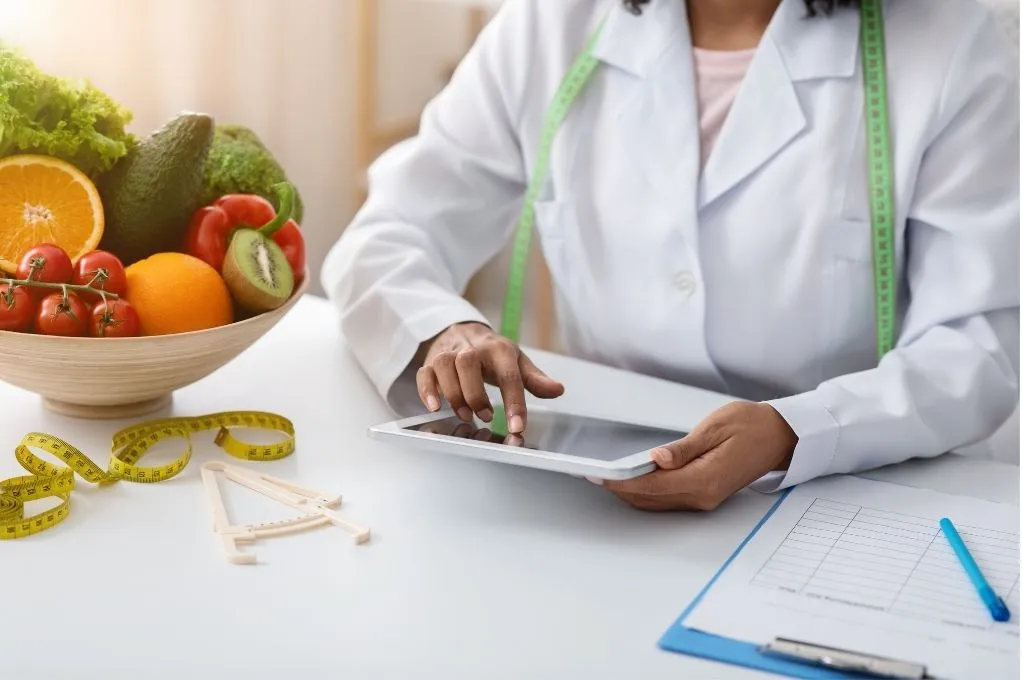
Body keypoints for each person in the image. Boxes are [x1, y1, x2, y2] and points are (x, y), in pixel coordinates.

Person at [322, 0, 1020, 511]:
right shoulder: (550, 23)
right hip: (591, 492)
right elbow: (387, 235)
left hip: (840, 487)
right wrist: (445, 329)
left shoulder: (951, 43)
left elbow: (980, 344)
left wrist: (796, 431)